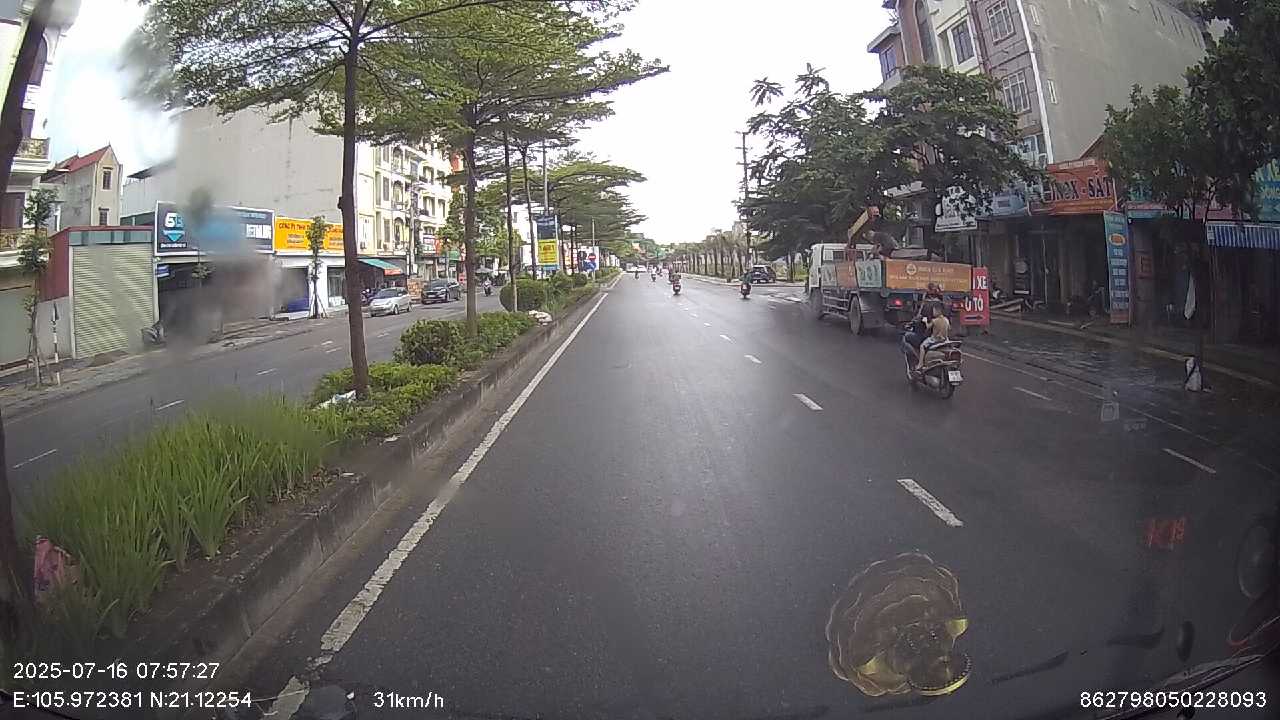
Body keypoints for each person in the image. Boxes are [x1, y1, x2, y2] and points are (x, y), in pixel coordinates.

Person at [916, 302, 952, 372]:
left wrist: (925, 321)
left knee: (922, 346)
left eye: (934, 310)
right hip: (945, 340)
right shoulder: (946, 320)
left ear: (938, 311)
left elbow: (927, 327)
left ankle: (920, 364)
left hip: (935, 339)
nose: (933, 312)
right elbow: (949, 328)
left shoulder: (934, 320)